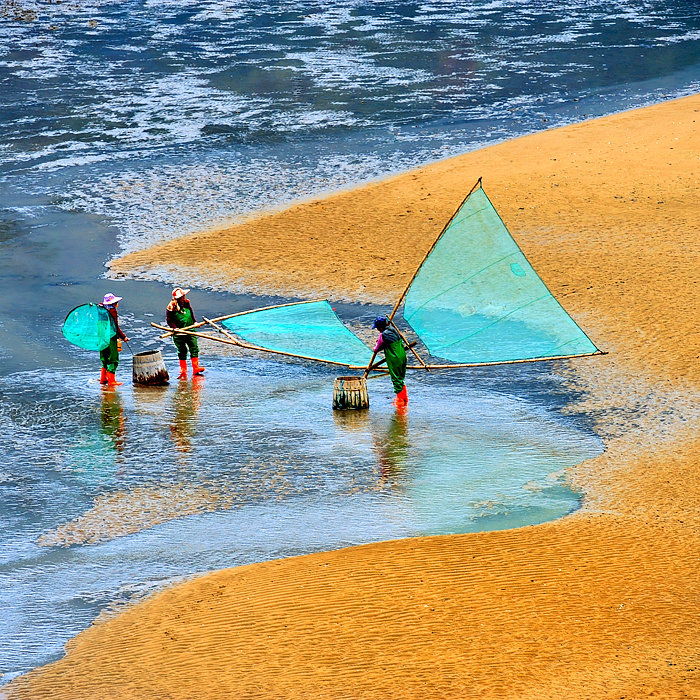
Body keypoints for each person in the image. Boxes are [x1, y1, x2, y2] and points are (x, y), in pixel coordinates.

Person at [166, 287, 205, 379]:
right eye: (182, 296)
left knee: (194, 348)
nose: (184, 297)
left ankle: (196, 368)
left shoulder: (186, 303)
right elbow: (169, 320)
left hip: (190, 329)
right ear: (179, 297)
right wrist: (175, 329)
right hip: (179, 332)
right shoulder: (171, 306)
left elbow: (191, 313)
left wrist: (195, 322)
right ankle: (183, 370)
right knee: (182, 350)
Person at [372, 316, 408, 405]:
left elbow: (376, 348)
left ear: (380, 327)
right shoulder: (393, 329)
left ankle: (400, 402)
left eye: (377, 328)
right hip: (402, 355)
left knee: (396, 378)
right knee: (400, 378)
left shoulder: (383, 334)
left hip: (394, 357)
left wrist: (377, 344)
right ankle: (404, 399)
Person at [99, 293, 129, 386]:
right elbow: (115, 326)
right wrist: (123, 337)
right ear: (114, 304)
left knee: (104, 357)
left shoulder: (100, 310)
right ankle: (112, 381)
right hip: (110, 337)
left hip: (101, 337)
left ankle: (103, 380)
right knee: (113, 358)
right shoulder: (112, 311)